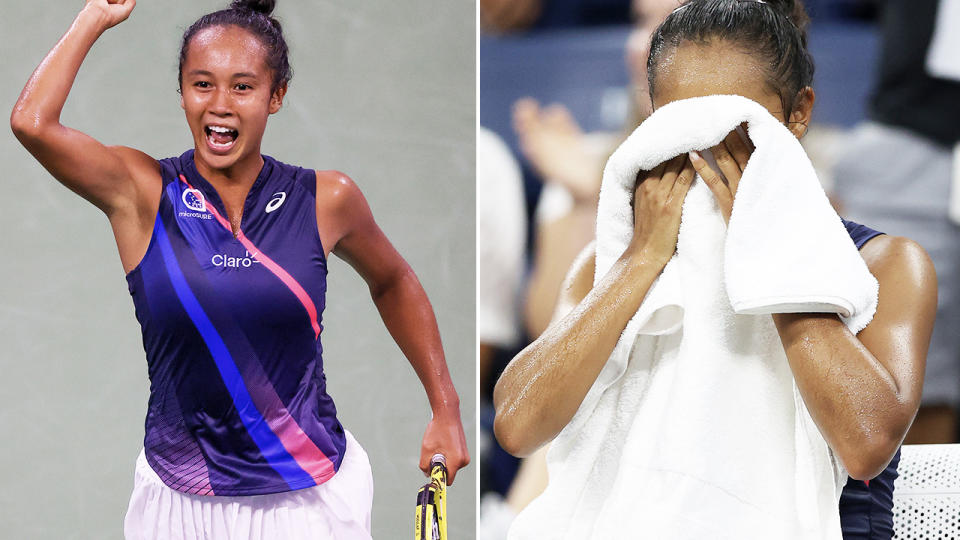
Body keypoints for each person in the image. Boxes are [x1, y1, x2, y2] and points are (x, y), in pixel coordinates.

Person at [10, 0, 469, 538]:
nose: (220, 105)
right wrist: (93, 16)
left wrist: (445, 407)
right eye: (202, 84)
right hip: (177, 498)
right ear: (180, 91)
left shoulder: (326, 200)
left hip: (306, 500)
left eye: (243, 87)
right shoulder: (142, 192)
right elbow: (31, 122)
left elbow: (393, 280)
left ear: (276, 96)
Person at [493, 0, 936, 537]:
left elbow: (866, 444)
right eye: (681, 127)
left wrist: (768, 247)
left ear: (798, 113)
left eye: (735, 126)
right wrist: (640, 262)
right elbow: (518, 427)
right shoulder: (609, 264)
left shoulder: (885, 264)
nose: (706, 152)